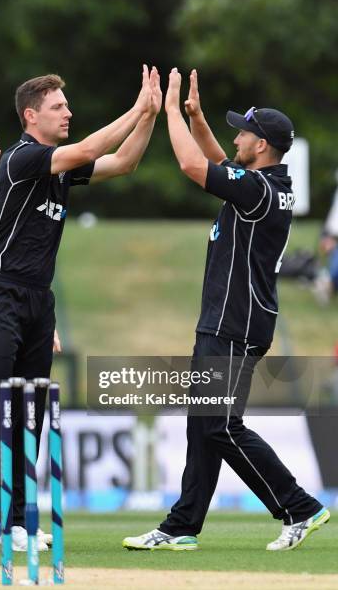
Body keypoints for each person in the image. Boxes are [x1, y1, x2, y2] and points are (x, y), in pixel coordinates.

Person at [0, 66, 162, 551]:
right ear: (31, 115)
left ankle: (13, 519)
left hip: (39, 300)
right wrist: (135, 108)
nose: (69, 112)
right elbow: (87, 150)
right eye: (59, 107)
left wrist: (150, 115)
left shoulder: (59, 167)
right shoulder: (23, 158)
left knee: (29, 412)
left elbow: (122, 162)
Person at [123, 68, 329, 552]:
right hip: (230, 322)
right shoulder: (263, 183)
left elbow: (197, 169)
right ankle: (181, 527)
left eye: (244, 132)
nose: (236, 137)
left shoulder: (256, 189)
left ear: (261, 145)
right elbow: (217, 160)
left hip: (233, 325)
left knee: (218, 425)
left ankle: (299, 506)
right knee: (203, 424)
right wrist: (197, 118)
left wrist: (171, 111)